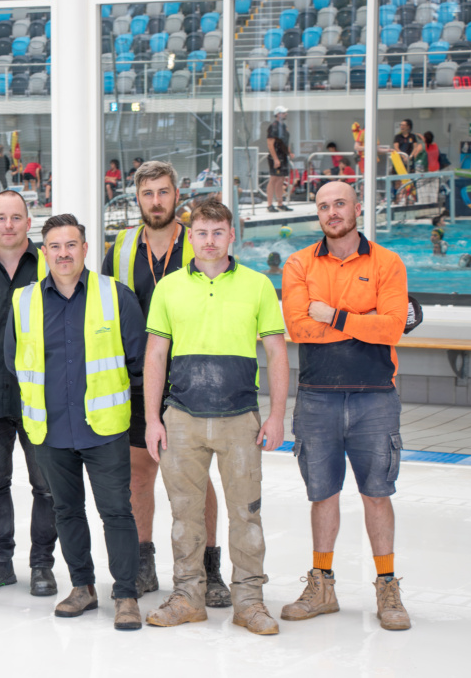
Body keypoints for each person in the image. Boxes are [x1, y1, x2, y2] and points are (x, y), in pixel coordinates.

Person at [143, 200, 289, 635]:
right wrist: (153, 418)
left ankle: (249, 602)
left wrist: (277, 415)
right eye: (202, 233)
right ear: (190, 237)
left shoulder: (257, 285)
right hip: (182, 417)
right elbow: (156, 354)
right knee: (184, 514)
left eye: (218, 232)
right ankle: (188, 596)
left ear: (231, 235)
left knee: (246, 514)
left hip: (240, 417)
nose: (209, 241)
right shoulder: (169, 287)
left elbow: (277, 352)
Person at [281, 181, 412, 631]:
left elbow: (392, 328)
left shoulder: (387, 263)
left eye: (340, 204)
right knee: (322, 495)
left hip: (375, 396)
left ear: (357, 208)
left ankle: (387, 586)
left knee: (377, 494)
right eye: (324, 206)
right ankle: (322, 585)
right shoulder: (299, 264)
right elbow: (299, 328)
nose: (332, 212)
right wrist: (362, 320)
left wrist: (333, 315)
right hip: (317, 396)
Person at [6, 213, 146, 630]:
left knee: (117, 512)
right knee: (66, 511)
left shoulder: (115, 295)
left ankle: (125, 594)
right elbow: (14, 361)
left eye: (71, 245)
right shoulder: (24, 301)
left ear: (85, 249)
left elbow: (138, 359)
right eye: (55, 246)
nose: (63, 253)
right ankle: (82, 587)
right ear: (44, 252)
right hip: (50, 429)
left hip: (103, 428)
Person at [102, 160, 231, 607]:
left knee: (196, 477)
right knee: (139, 474)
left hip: (192, 380)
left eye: (162, 192)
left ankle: (209, 568)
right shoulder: (120, 248)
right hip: (138, 379)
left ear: (177, 195)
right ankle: (143, 563)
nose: (156, 201)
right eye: (147, 193)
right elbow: (104, 309)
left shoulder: (199, 243)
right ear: (137, 199)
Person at [0, 190, 57, 597]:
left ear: (28, 222)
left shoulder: (50, 265)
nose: (8, 225)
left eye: (16, 217)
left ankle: (42, 566)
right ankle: (0, 564)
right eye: (0, 217)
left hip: (39, 399)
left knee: (46, 486)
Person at [266, 106, 292, 213]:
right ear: (278, 114)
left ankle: (280, 203)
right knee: (273, 179)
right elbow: (270, 144)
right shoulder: (273, 127)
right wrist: (275, 159)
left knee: (281, 179)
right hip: (276, 156)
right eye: (284, 113)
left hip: (283, 156)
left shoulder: (283, 126)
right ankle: (269, 204)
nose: (286, 114)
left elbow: (286, 141)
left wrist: (289, 152)